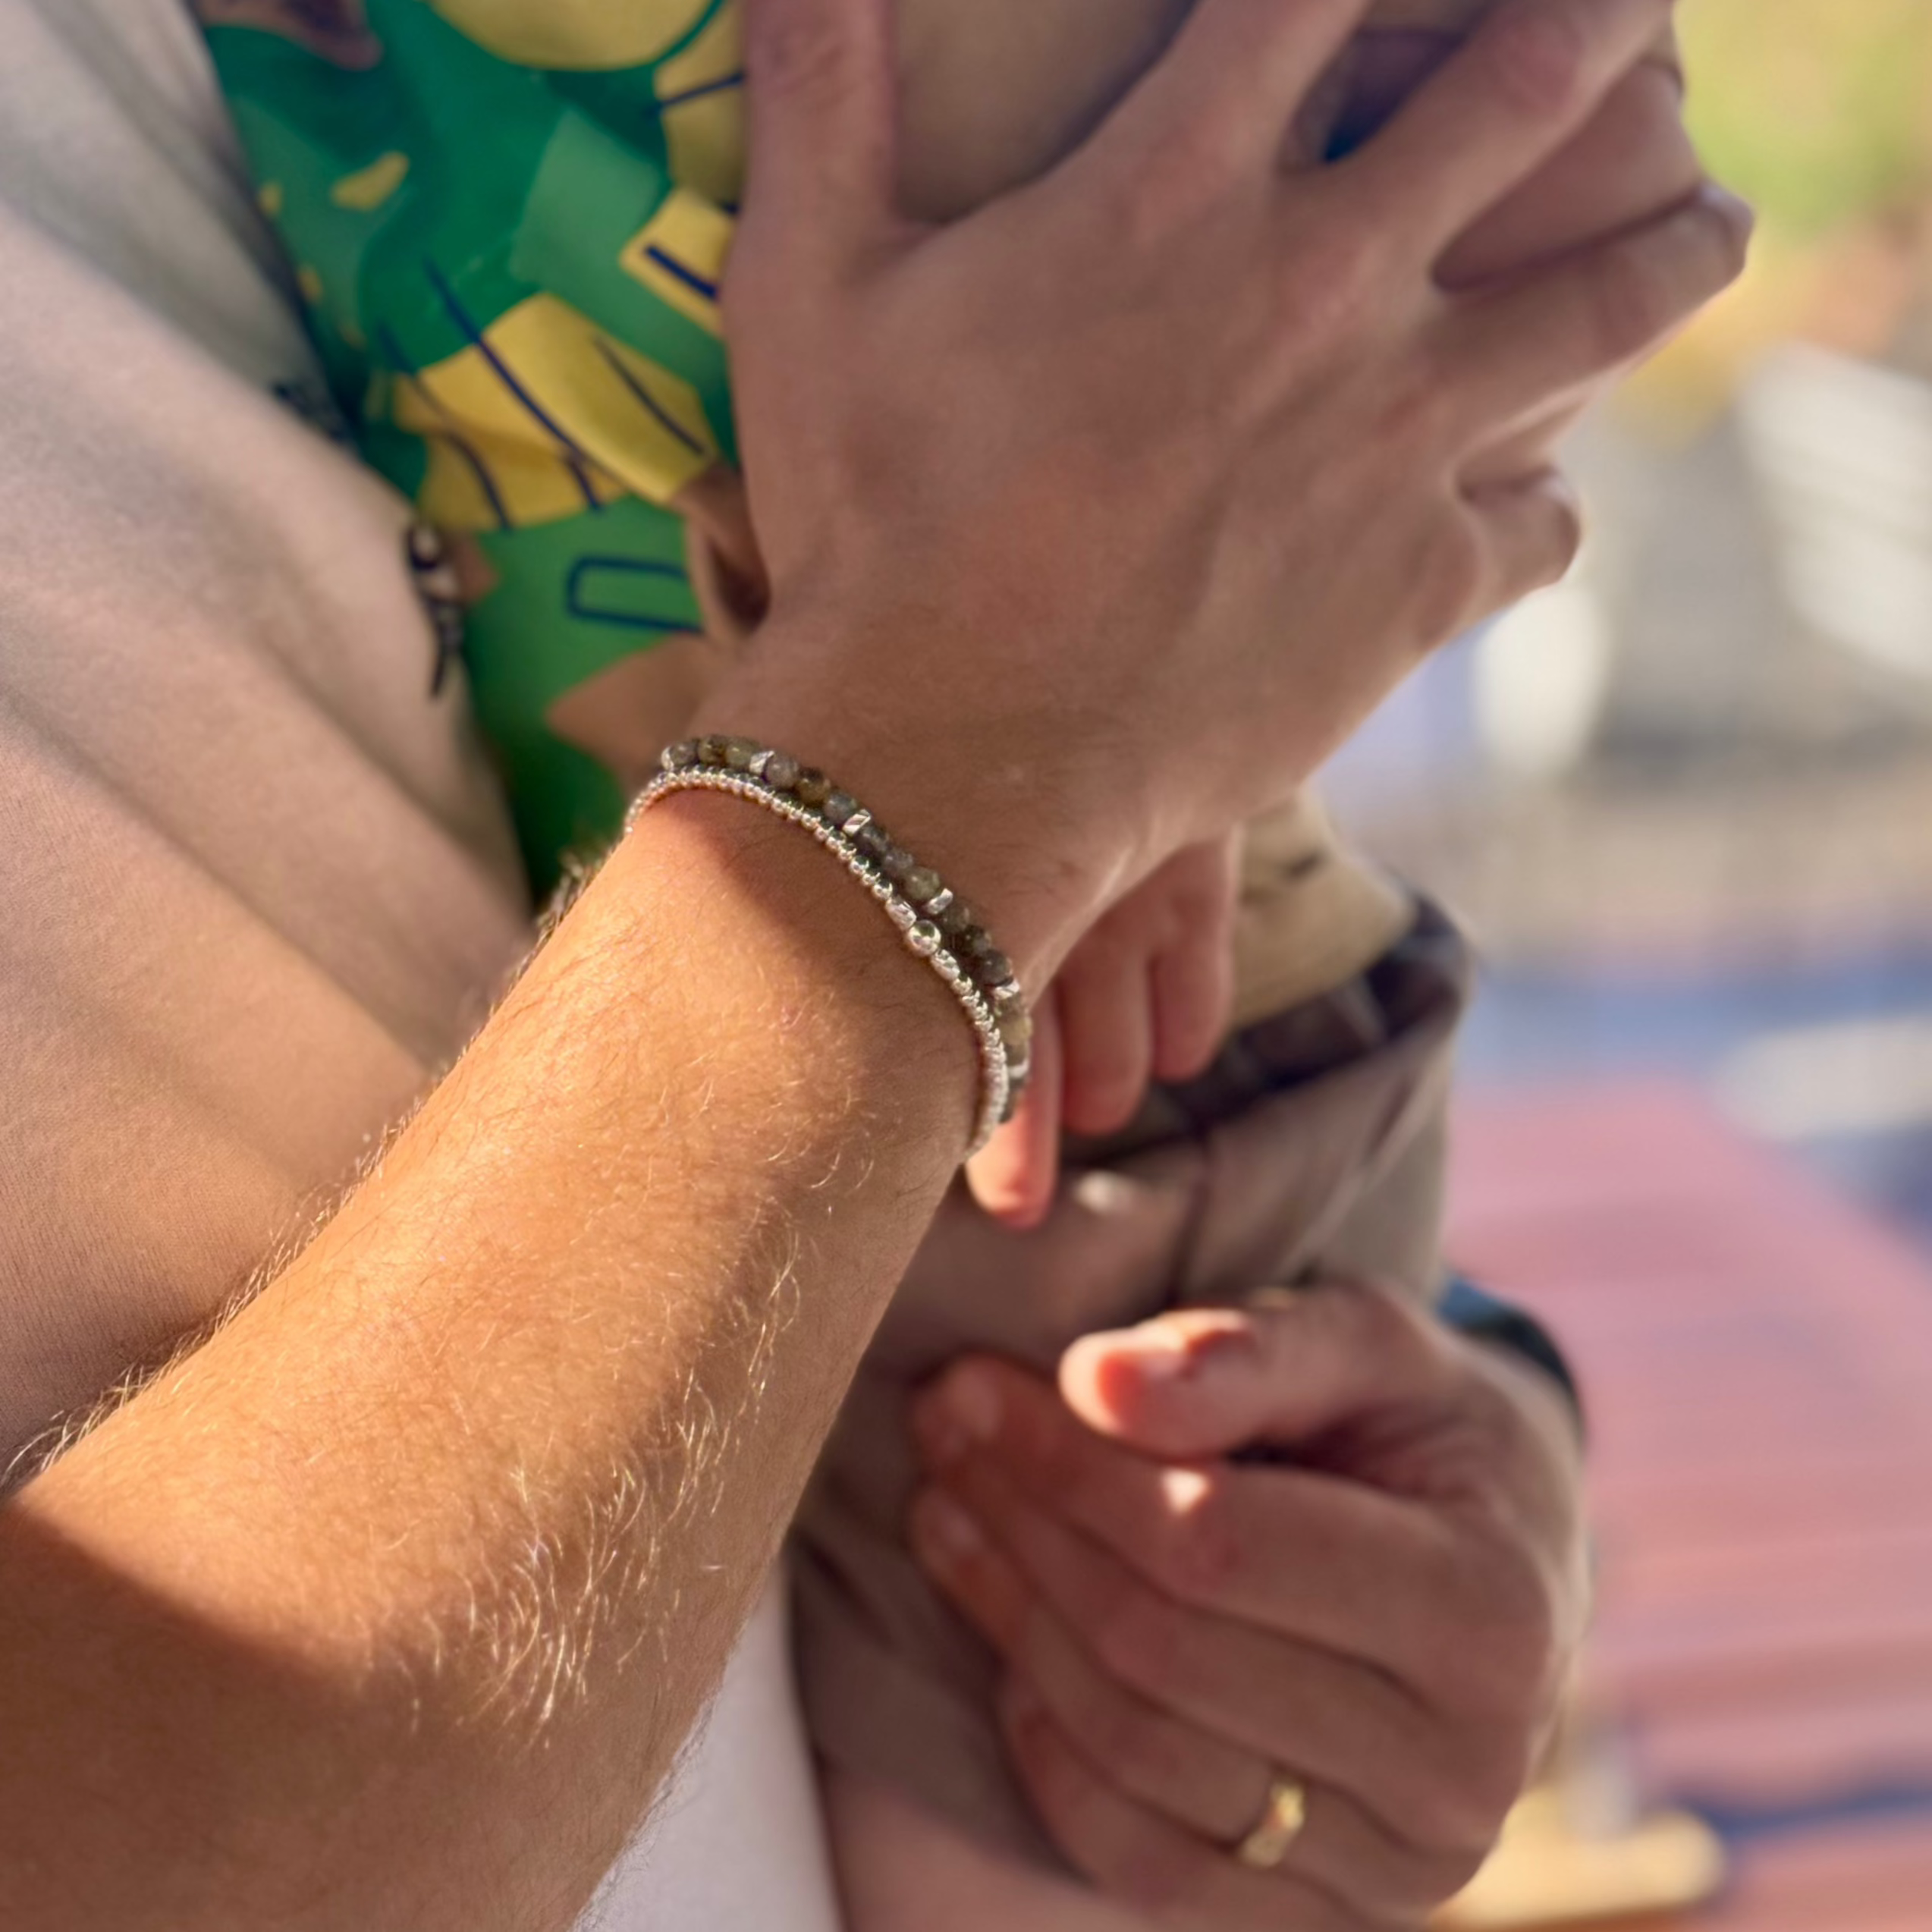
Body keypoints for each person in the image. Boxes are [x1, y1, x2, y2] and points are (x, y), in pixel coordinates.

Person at [0, 0, 1745, 1927]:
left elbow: (1570, 154)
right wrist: (993, 737)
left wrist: (1480, 1462)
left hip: (1081, 1199)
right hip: (1042, 1126)